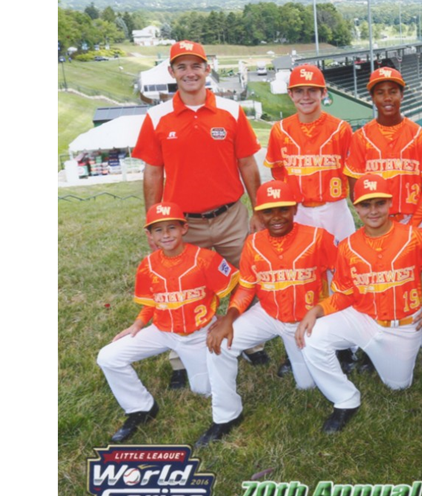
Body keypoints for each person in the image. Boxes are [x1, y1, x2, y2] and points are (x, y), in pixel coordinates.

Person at [134, 40, 267, 388]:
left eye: (196, 66)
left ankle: (251, 342)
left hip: (231, 216)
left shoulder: (231, 110)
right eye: (182, 66)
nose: (190, 72)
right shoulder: (156, 116)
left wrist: (257, 210)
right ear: (171, 72)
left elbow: (246, 163)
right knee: (178, 286)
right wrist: (155, 223)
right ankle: (180, 359)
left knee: (248, 277)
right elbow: (152, 173)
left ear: (208, 69)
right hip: (183, 223)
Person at [200, 181, 338, 446]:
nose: (276, 217)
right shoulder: (253, 243)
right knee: (220, 345)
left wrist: (325, 310)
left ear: (294, 209)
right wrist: (228, 318)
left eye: (283, 209)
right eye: (268, 211)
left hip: (305, 319)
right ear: (259, 214)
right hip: (268, 313)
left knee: (307, 385)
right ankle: (226, 416)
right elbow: (246, 287)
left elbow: (344, 279)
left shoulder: (317, 237)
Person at [296, 175, 422, 414]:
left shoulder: (414, 236)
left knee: (398, 386)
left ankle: (381, 356)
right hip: (363, 318)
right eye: (366, 205)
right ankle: (345, 398)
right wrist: (317, 310)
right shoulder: (347, 246)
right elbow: (345, 295)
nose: (373, 211)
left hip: (402, 326)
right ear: (356, 207)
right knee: (313, 336)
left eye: (379, 203)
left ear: (390, 204)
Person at [96, 202, 238, 442]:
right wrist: (138, 324)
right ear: (149, 235)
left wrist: (229, 318)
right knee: (108, 357)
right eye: (158, 230)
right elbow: (151, 302)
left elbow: (237, 285)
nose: (166, 235)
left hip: (198, 333)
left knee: (203, 390)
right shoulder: (147, 265)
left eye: (171, 227)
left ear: (184, 228)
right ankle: (140, 408)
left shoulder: (205, 258)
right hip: (162, 331)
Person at [344, 66, 422, 375]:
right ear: (372, 97)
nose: (387, 97)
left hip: (413, 220)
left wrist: (413, 225)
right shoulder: (361, 138)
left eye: (393, 90)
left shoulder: (418, 134)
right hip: (378, 224)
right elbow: (354, 188)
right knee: (380, 286)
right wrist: (375, 222)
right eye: (380, 91)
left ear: (402, 94)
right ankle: (378, 343)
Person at [264, 63, 356, 377]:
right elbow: (278, 172)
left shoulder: (341, 128)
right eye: (299, 90)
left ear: (323, 93)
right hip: (299, 211)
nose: (306, 96)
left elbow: (353, 171)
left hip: (334, 208)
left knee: (341, 271)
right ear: (290, 94)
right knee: (303, 275)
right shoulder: (279, 130)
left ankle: (343, 343)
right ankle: (301, 342)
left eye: (312, 90)